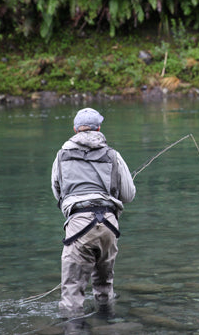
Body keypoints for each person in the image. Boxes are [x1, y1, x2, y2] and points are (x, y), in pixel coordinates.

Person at [51, 107, 136, 318]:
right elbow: (128, 195)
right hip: (108, 225)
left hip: (78, 226)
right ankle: (107, 324)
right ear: (99, 128)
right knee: (105, 286)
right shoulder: (113, 155)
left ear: (75, 129)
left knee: (72, 292)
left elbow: (57, 192)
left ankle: (73, 330)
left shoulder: (61, 156)